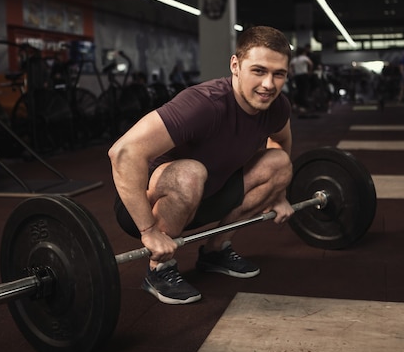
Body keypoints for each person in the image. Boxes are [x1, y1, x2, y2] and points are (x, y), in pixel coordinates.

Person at [108, 26, 295, 305]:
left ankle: (216, 251)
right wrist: (148, 230)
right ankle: (159, 269)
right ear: (235, 65)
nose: (269, 84)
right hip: (147, 205)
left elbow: (280, 144)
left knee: (280, 164)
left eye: (278, 74)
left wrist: (278, 195)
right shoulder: (204, 104)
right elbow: (123, 152)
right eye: (258, 71)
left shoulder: (277, 107)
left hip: (208, 194)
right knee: (190, 172)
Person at [289, 47, 314, 112]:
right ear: (303, 52)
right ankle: (306, 106)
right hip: (304, 76)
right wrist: (310, 72)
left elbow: (290, 67)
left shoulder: (295, 59)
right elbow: (310, 64)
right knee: (305, 91)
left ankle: (300, 105)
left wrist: (292, 73)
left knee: (299, 91)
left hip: (297, 76)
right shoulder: (304, 58)